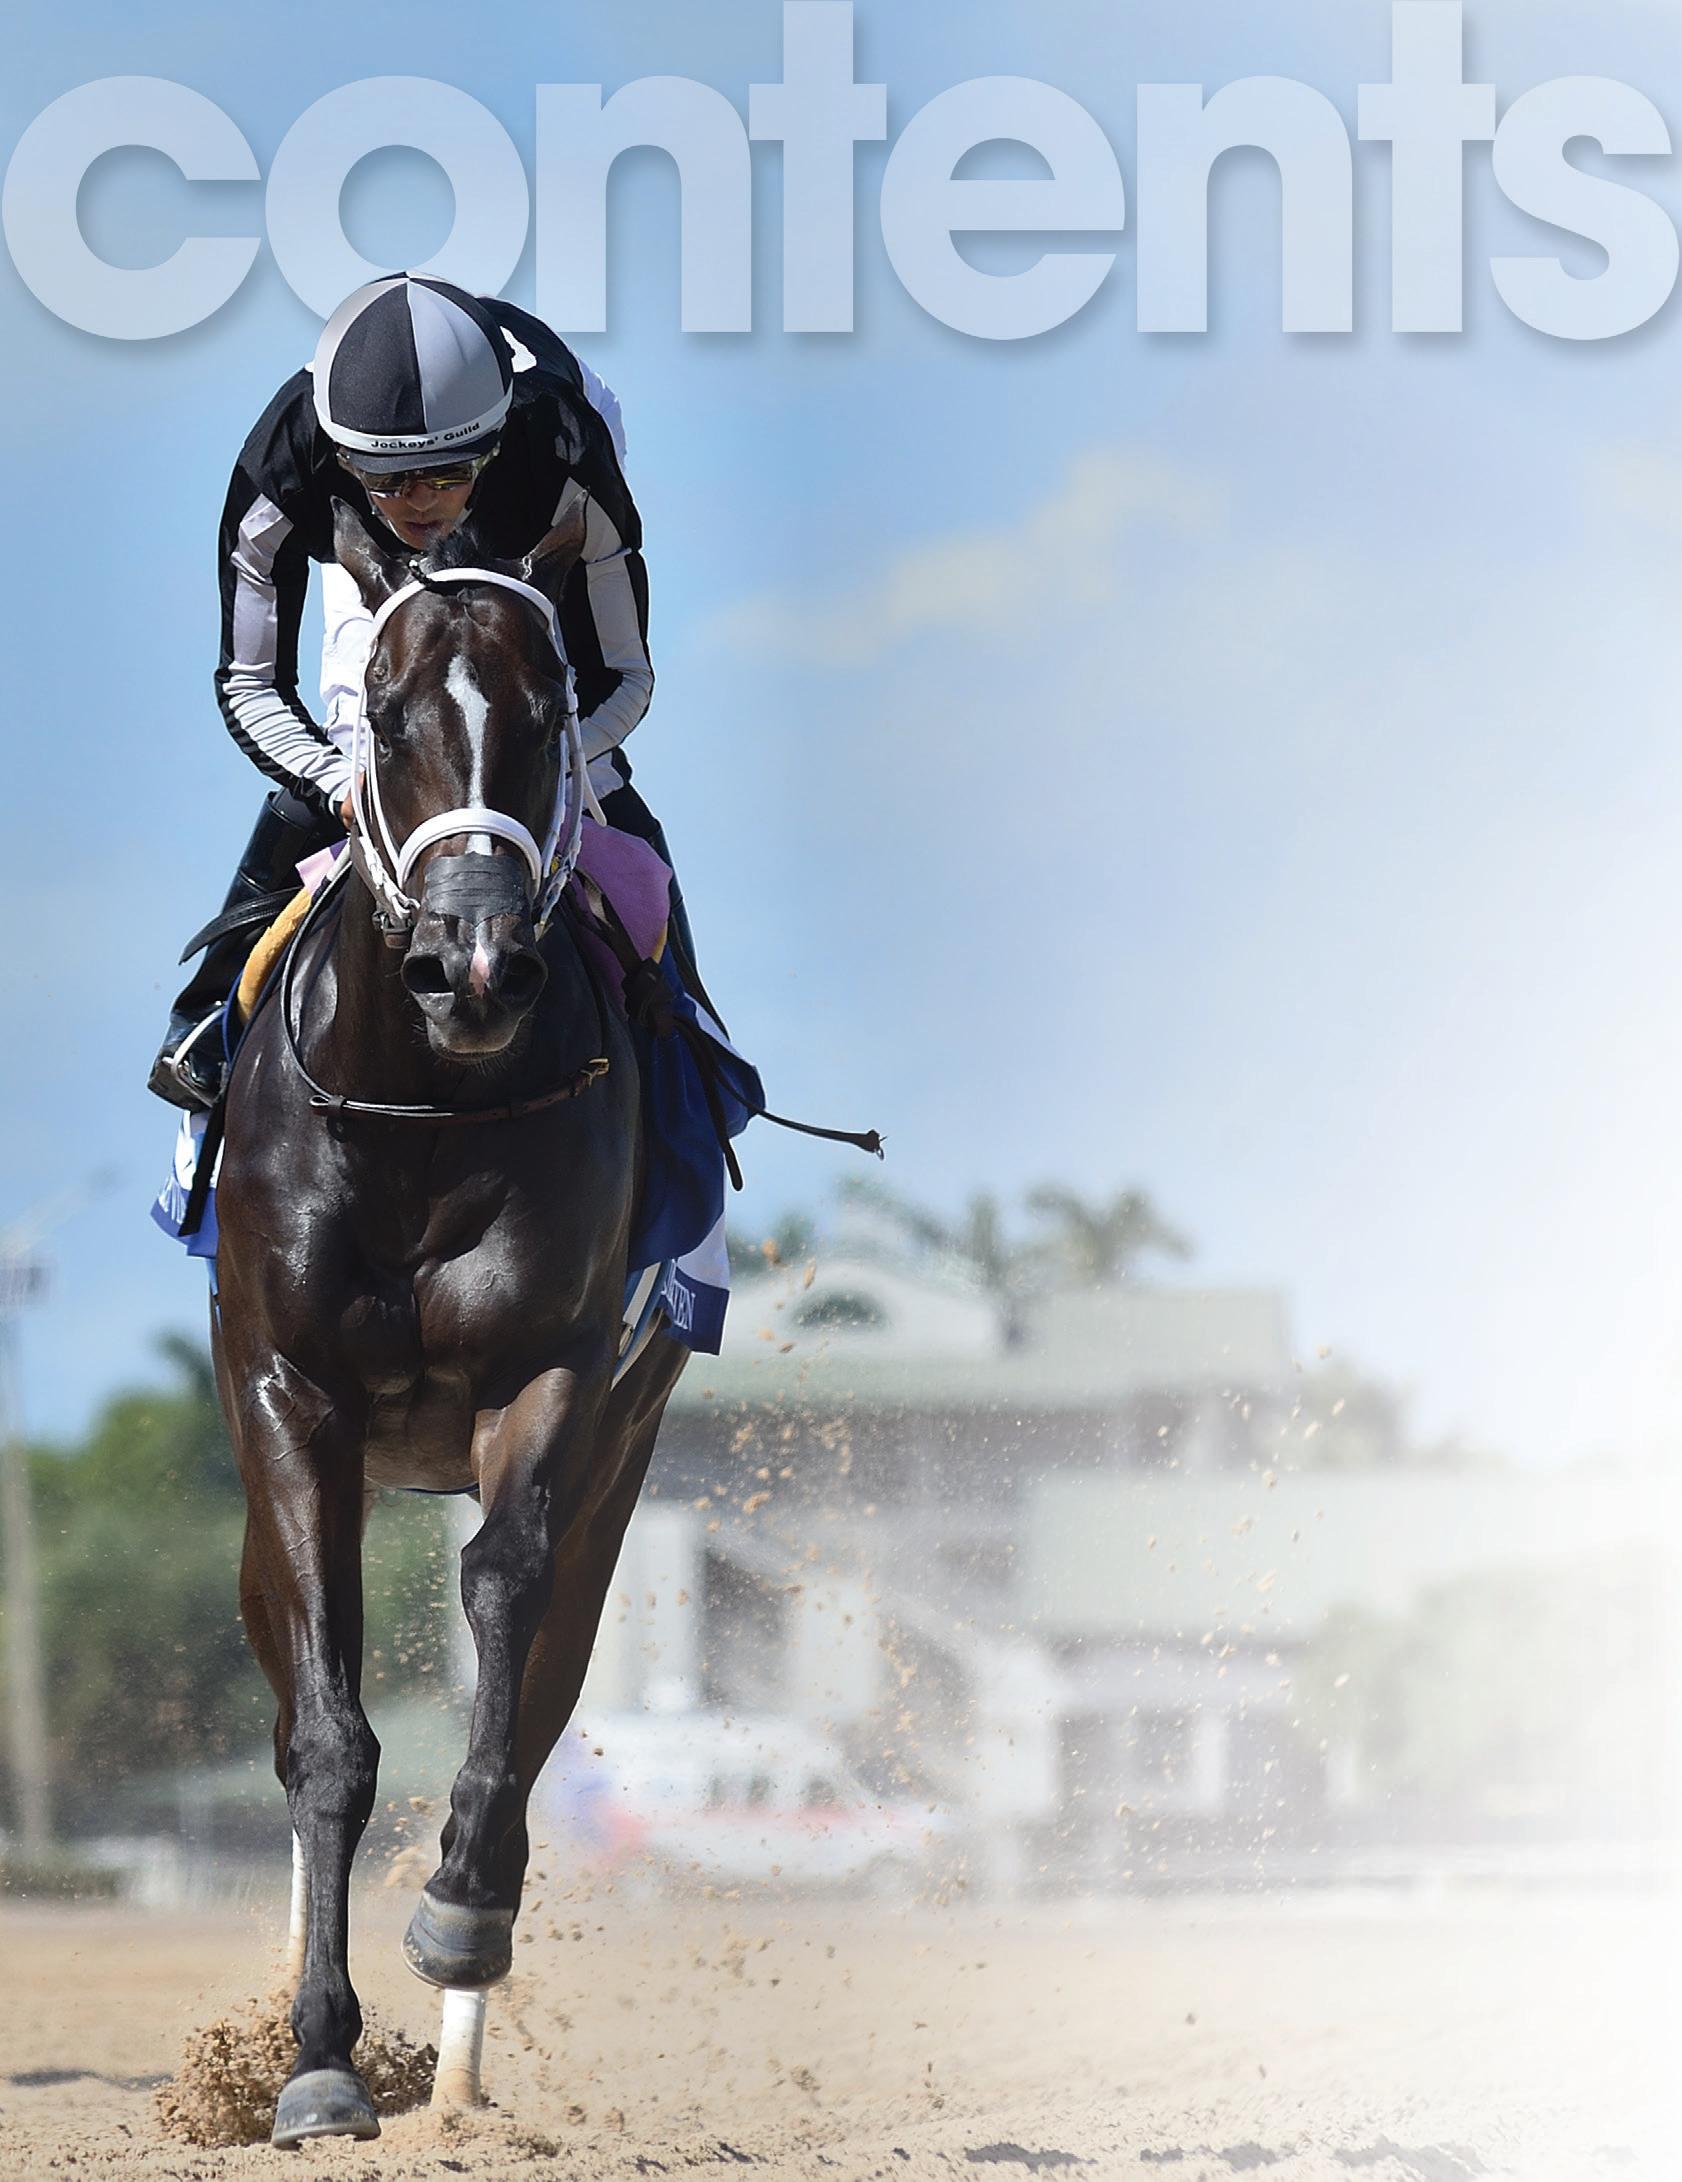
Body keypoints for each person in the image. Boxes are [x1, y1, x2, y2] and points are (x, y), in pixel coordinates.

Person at [148, 271, 690, 1110]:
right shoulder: (289, 463)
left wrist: (550, 767)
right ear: (344, 459)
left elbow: (622, 676)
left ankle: (690, 1045)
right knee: (374, 738)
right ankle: (205, 1026)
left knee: (565, 760)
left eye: (446, 475)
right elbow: (250, 682)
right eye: (391, 481)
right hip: (363, 558)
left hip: (530, 527)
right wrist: (343, 782)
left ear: (490, 447)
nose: (420, 504)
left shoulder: (564, 452)